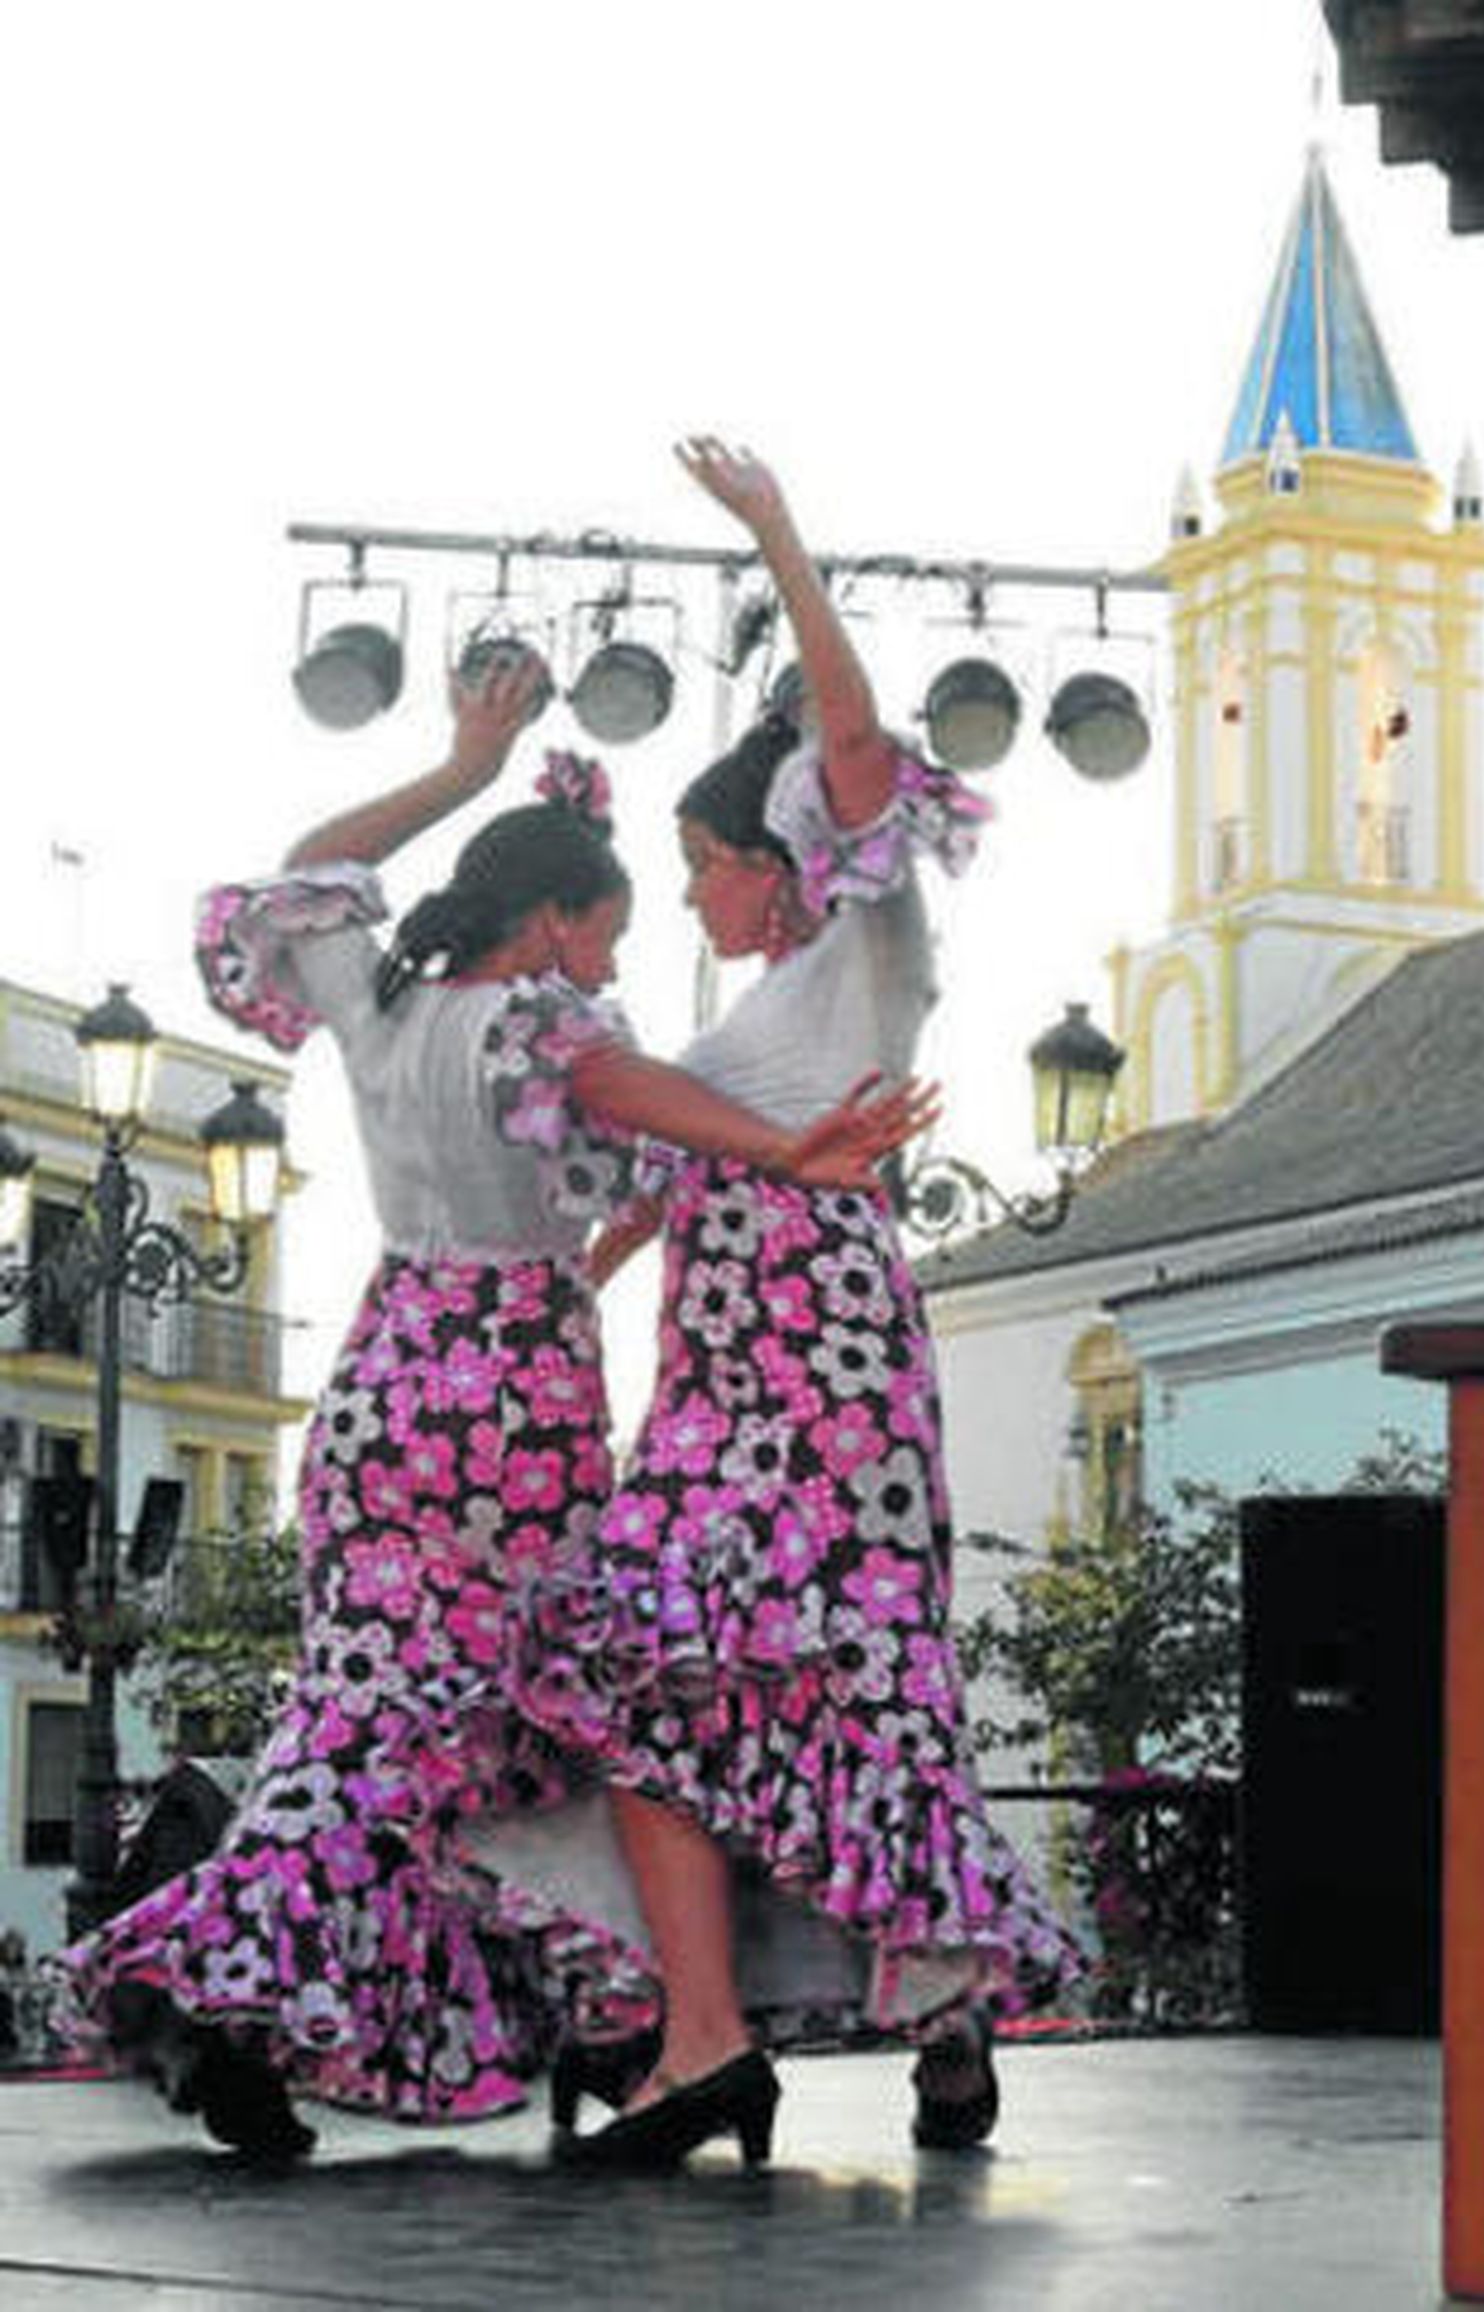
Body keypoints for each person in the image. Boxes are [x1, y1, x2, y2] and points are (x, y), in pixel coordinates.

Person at [54, 662, 931, 2162]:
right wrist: (792, 1152)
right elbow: (629, 1086)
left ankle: (264, 1997)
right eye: (604, 931)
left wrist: (462, 766)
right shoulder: (533, 1020)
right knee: (546, 1716)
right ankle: (629, 2026)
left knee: (360, 1722)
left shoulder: (374, 1000)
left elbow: (297, 881)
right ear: (549, 923)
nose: (606, 962)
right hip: (511, 1403)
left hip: (387, 1376)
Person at [560, 441, 1082, 2171]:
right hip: (710, 1378)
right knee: (650, 1667)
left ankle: (940, 2019)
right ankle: (704, 2033)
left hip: (828, 1360)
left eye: (706, 863)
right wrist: (540, 1309)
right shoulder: (741, 1031)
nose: (697, 897)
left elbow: (853, 747)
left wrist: (784, 541)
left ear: (775, 861)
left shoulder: (870, 952)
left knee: (855, 1680)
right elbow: (641, 1188)